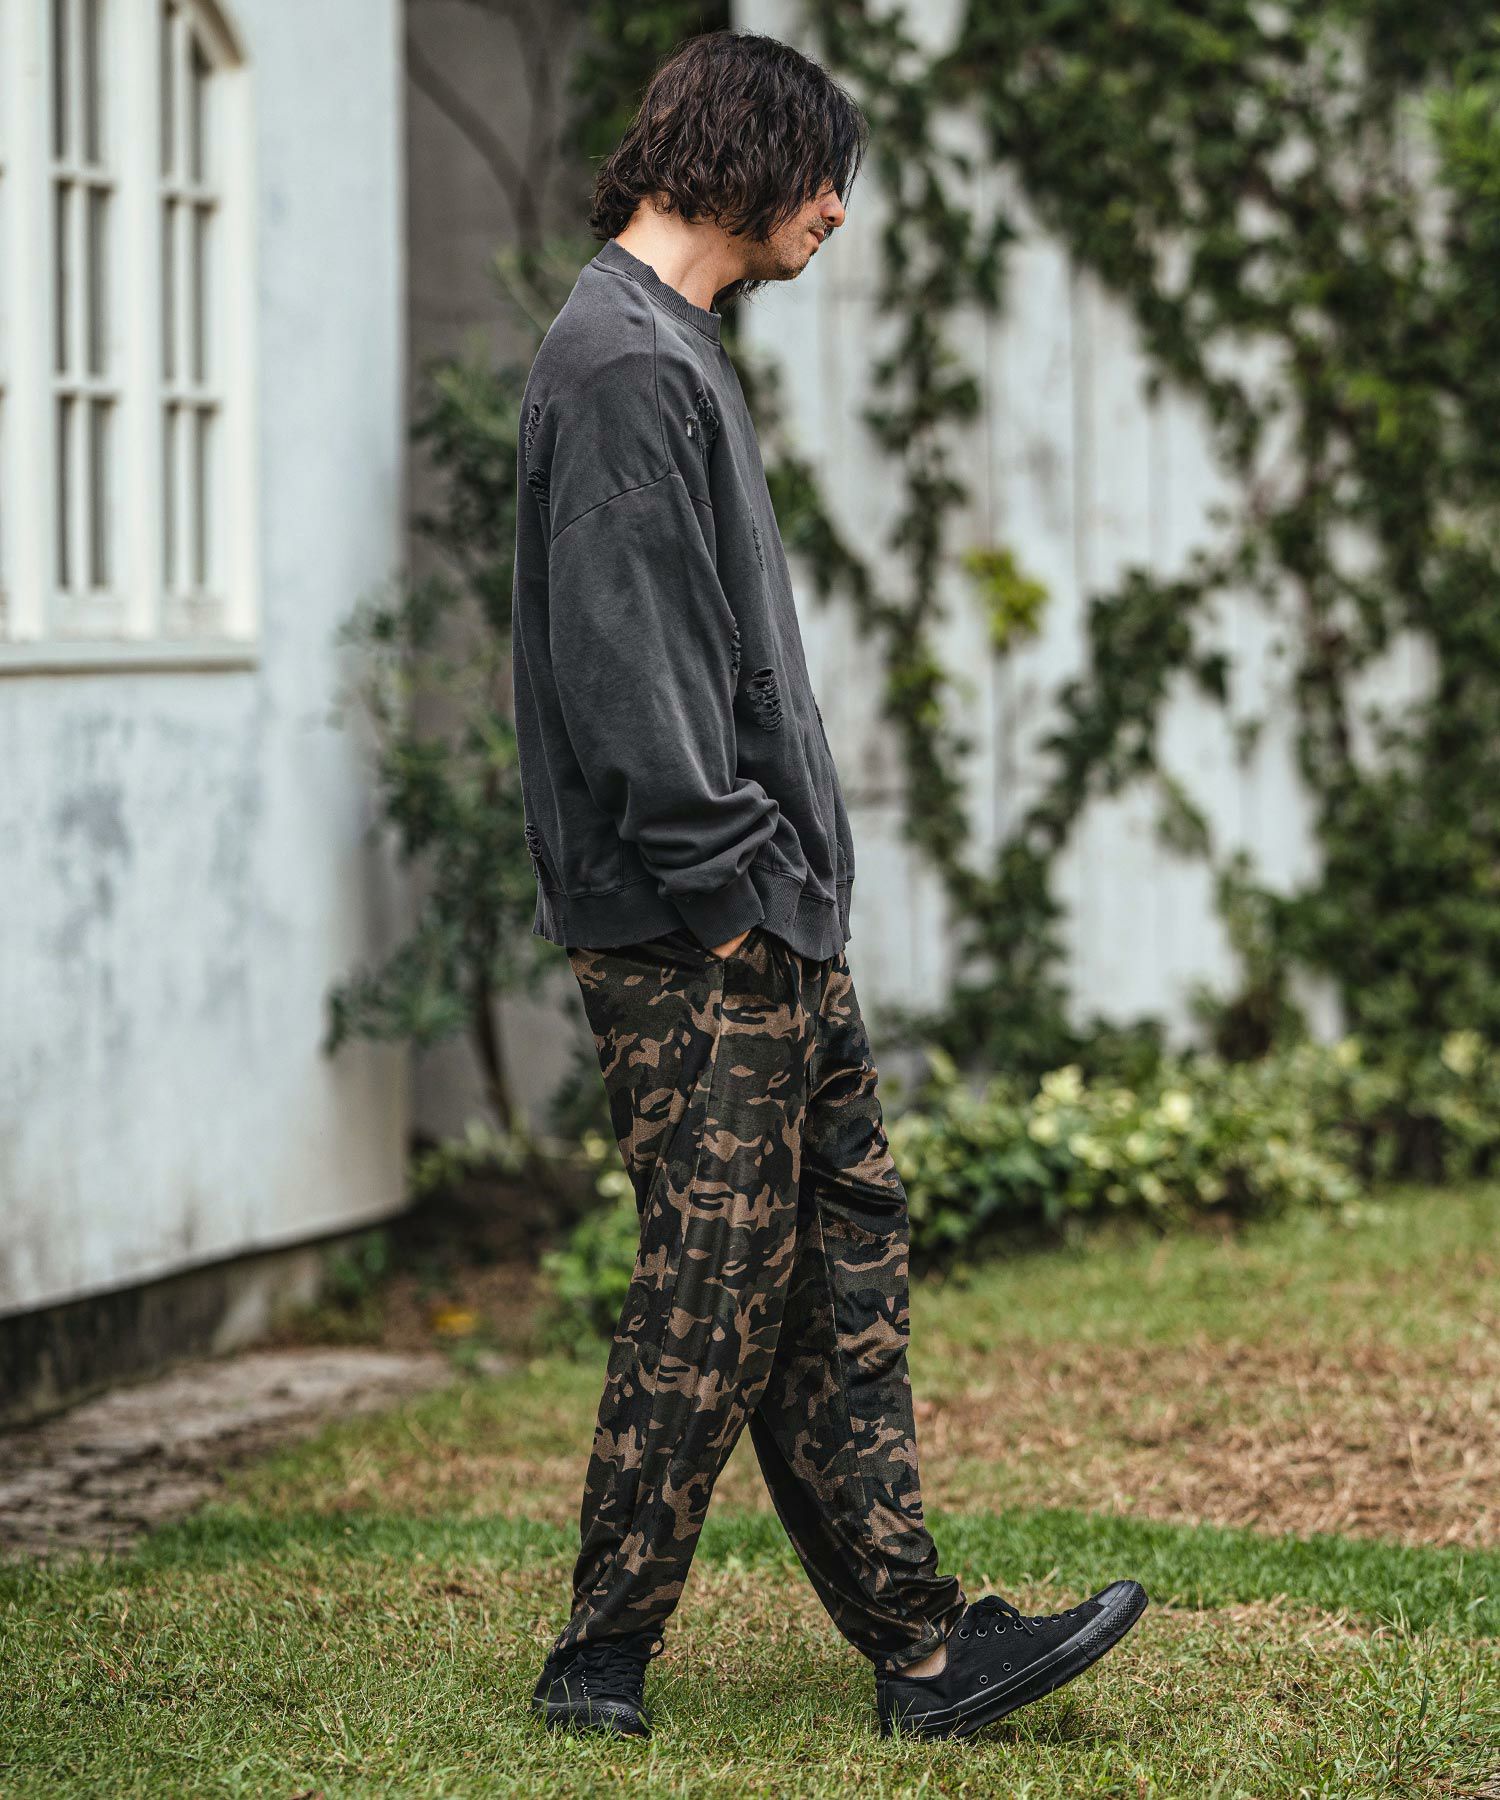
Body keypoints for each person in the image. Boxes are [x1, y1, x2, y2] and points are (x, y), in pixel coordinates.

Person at [511, 27, 1147, 1742]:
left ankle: (924, 1651)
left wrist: (778, 902)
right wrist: (732, 900)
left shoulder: (672, 347)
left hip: (763, 915)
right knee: (716, 1288)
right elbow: (628, 679)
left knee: (834, 1265)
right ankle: (598, 1662)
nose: (837, 214)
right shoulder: (622, 365)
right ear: (744, 156)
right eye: (824, 178)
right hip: (698, 928)